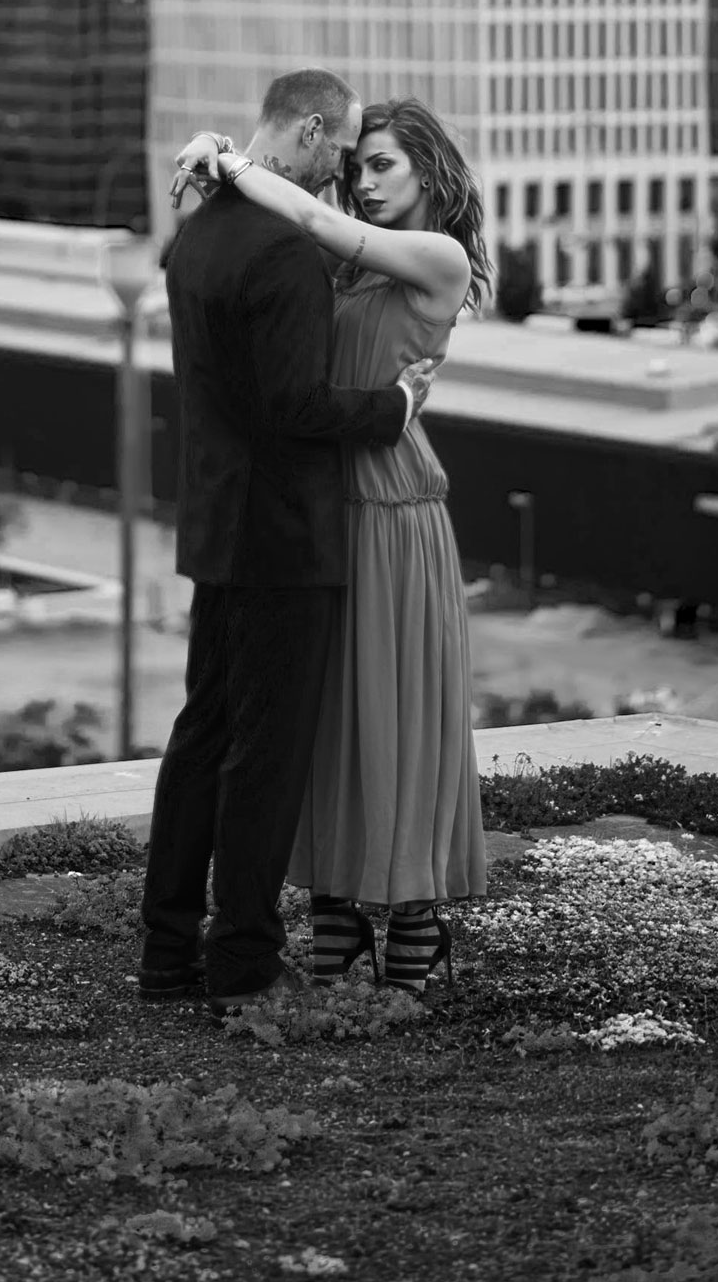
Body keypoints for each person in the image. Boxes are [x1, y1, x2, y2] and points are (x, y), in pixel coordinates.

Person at [170, 96, 491, 998]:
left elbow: (308, 214)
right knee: (332, 722)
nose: (365, 181)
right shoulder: (342, 248)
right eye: (361, 166)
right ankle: (342, 905)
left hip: (391, 507)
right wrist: (221, 156)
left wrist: (223, 156)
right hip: (322, 505)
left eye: (384, 164)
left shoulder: (438, 257)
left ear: (429, 170)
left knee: (396, 712)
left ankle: (417, 912)